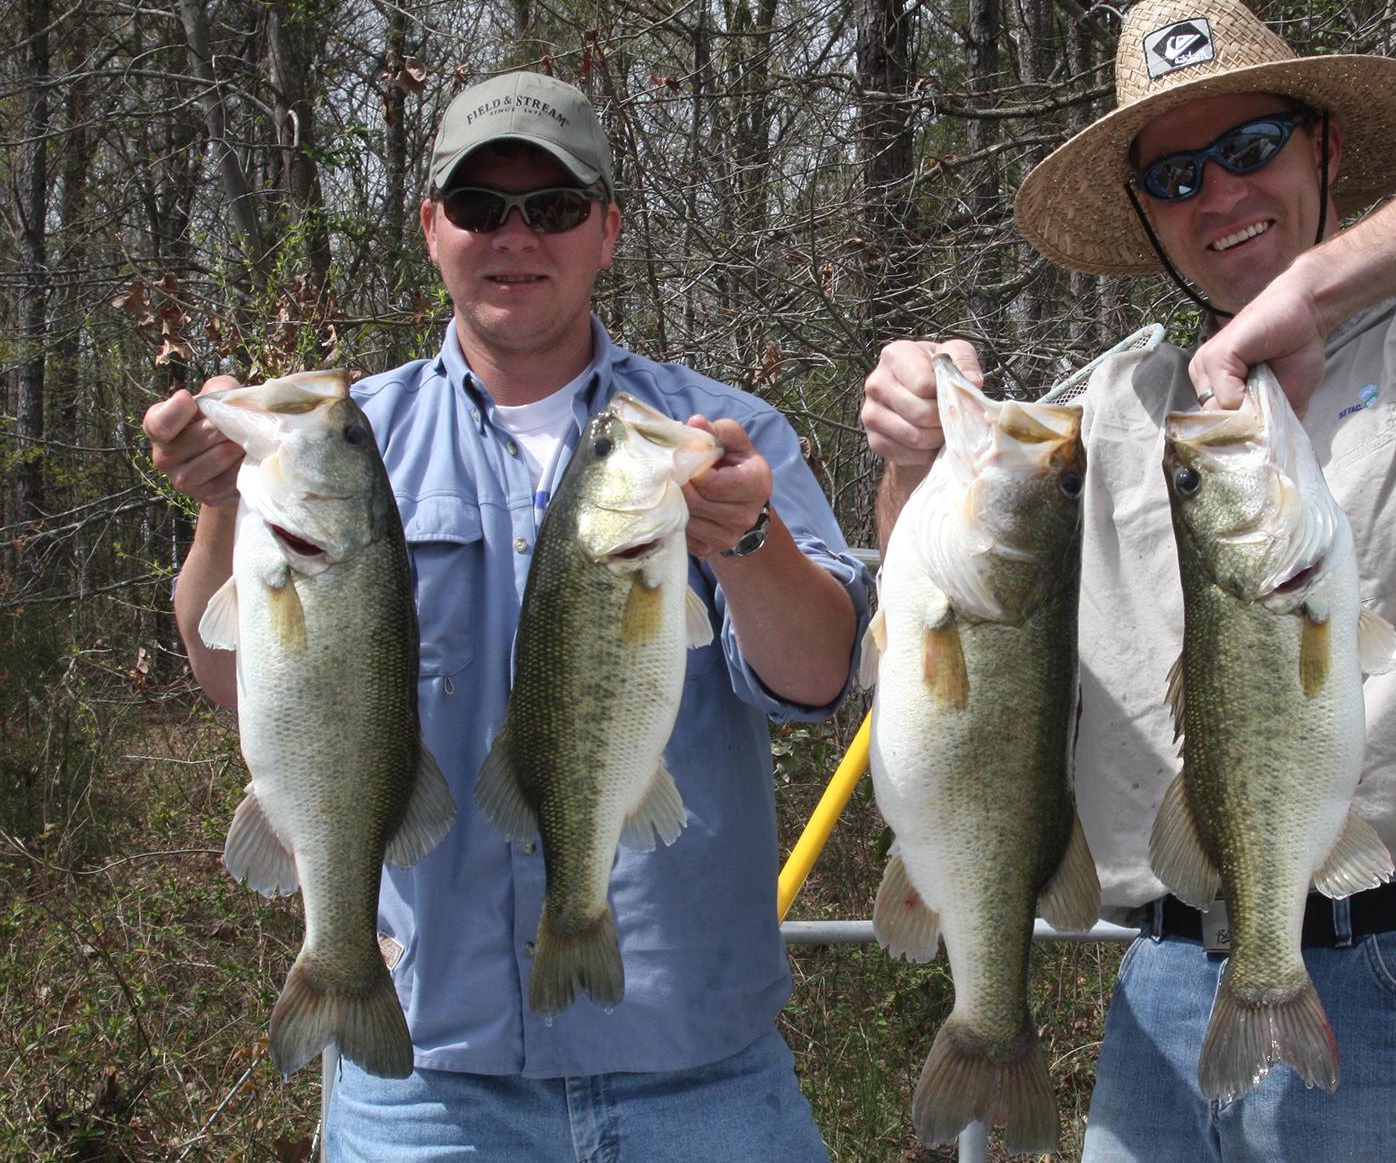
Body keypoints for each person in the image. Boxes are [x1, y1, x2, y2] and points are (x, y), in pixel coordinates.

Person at [862, 0, 1396, 1160]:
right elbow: (937, 632)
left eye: (1250, 146)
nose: (1221, 195)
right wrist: (915, 454)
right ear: (1145, 211)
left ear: (1328, 145)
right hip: (1161, 977)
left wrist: (1315, 287)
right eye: (1175, 176)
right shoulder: (1108, 410)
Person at [143, 70, 869, 1161]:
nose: (514, 237)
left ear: (609, 229)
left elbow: (819, 681)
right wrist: (217, 508)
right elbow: (235, 679)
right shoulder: (344, 435)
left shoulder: (720, 435)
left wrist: (750, 544)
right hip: (426, 1080)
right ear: (431, 227)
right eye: (480, 206)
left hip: (700, 1067)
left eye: (555, 207)